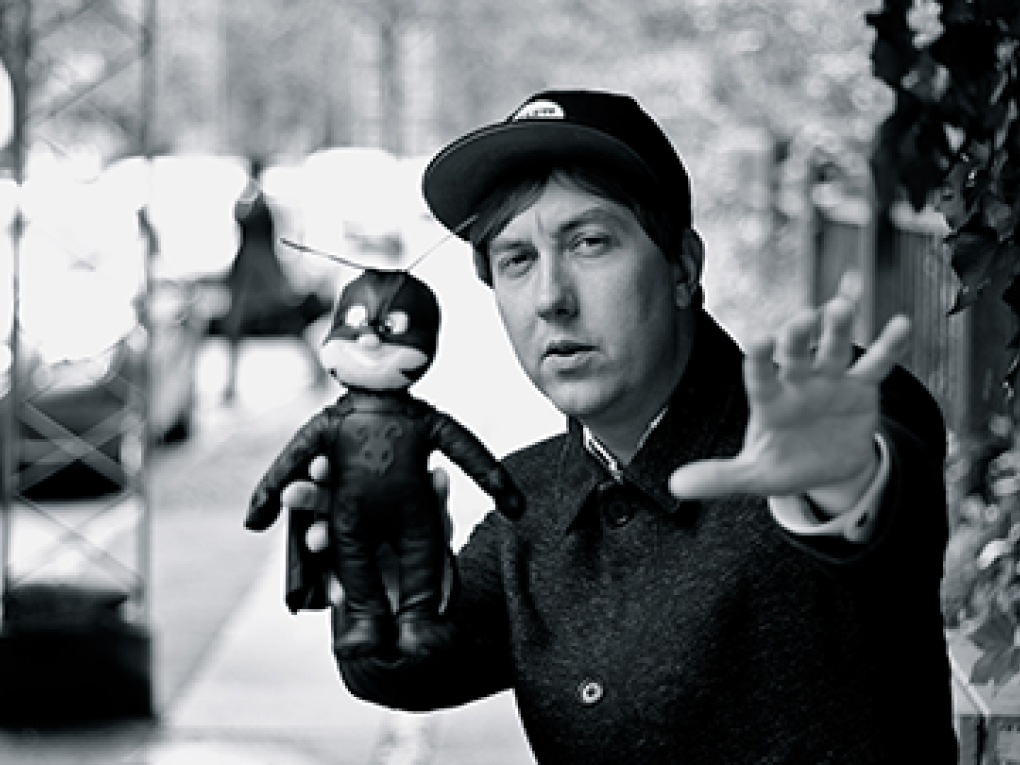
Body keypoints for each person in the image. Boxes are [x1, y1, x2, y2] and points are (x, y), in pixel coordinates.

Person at [282, 90, 956, 763]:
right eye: (517, 259)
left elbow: (883, 503)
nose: (551, 298)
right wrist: (383, 592)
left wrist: (842, 487)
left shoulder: (823, 418)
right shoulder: (530, 501)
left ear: (683, 266)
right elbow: (416, 666)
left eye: (590, 243)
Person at [216, 156, 328, 402]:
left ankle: (318, 372)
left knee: (289, 323)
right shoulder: (250, 200)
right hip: (249, 275)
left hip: (261, 275)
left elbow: (266, 233)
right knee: (236, 329)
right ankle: (229, 386)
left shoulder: (263, 204)